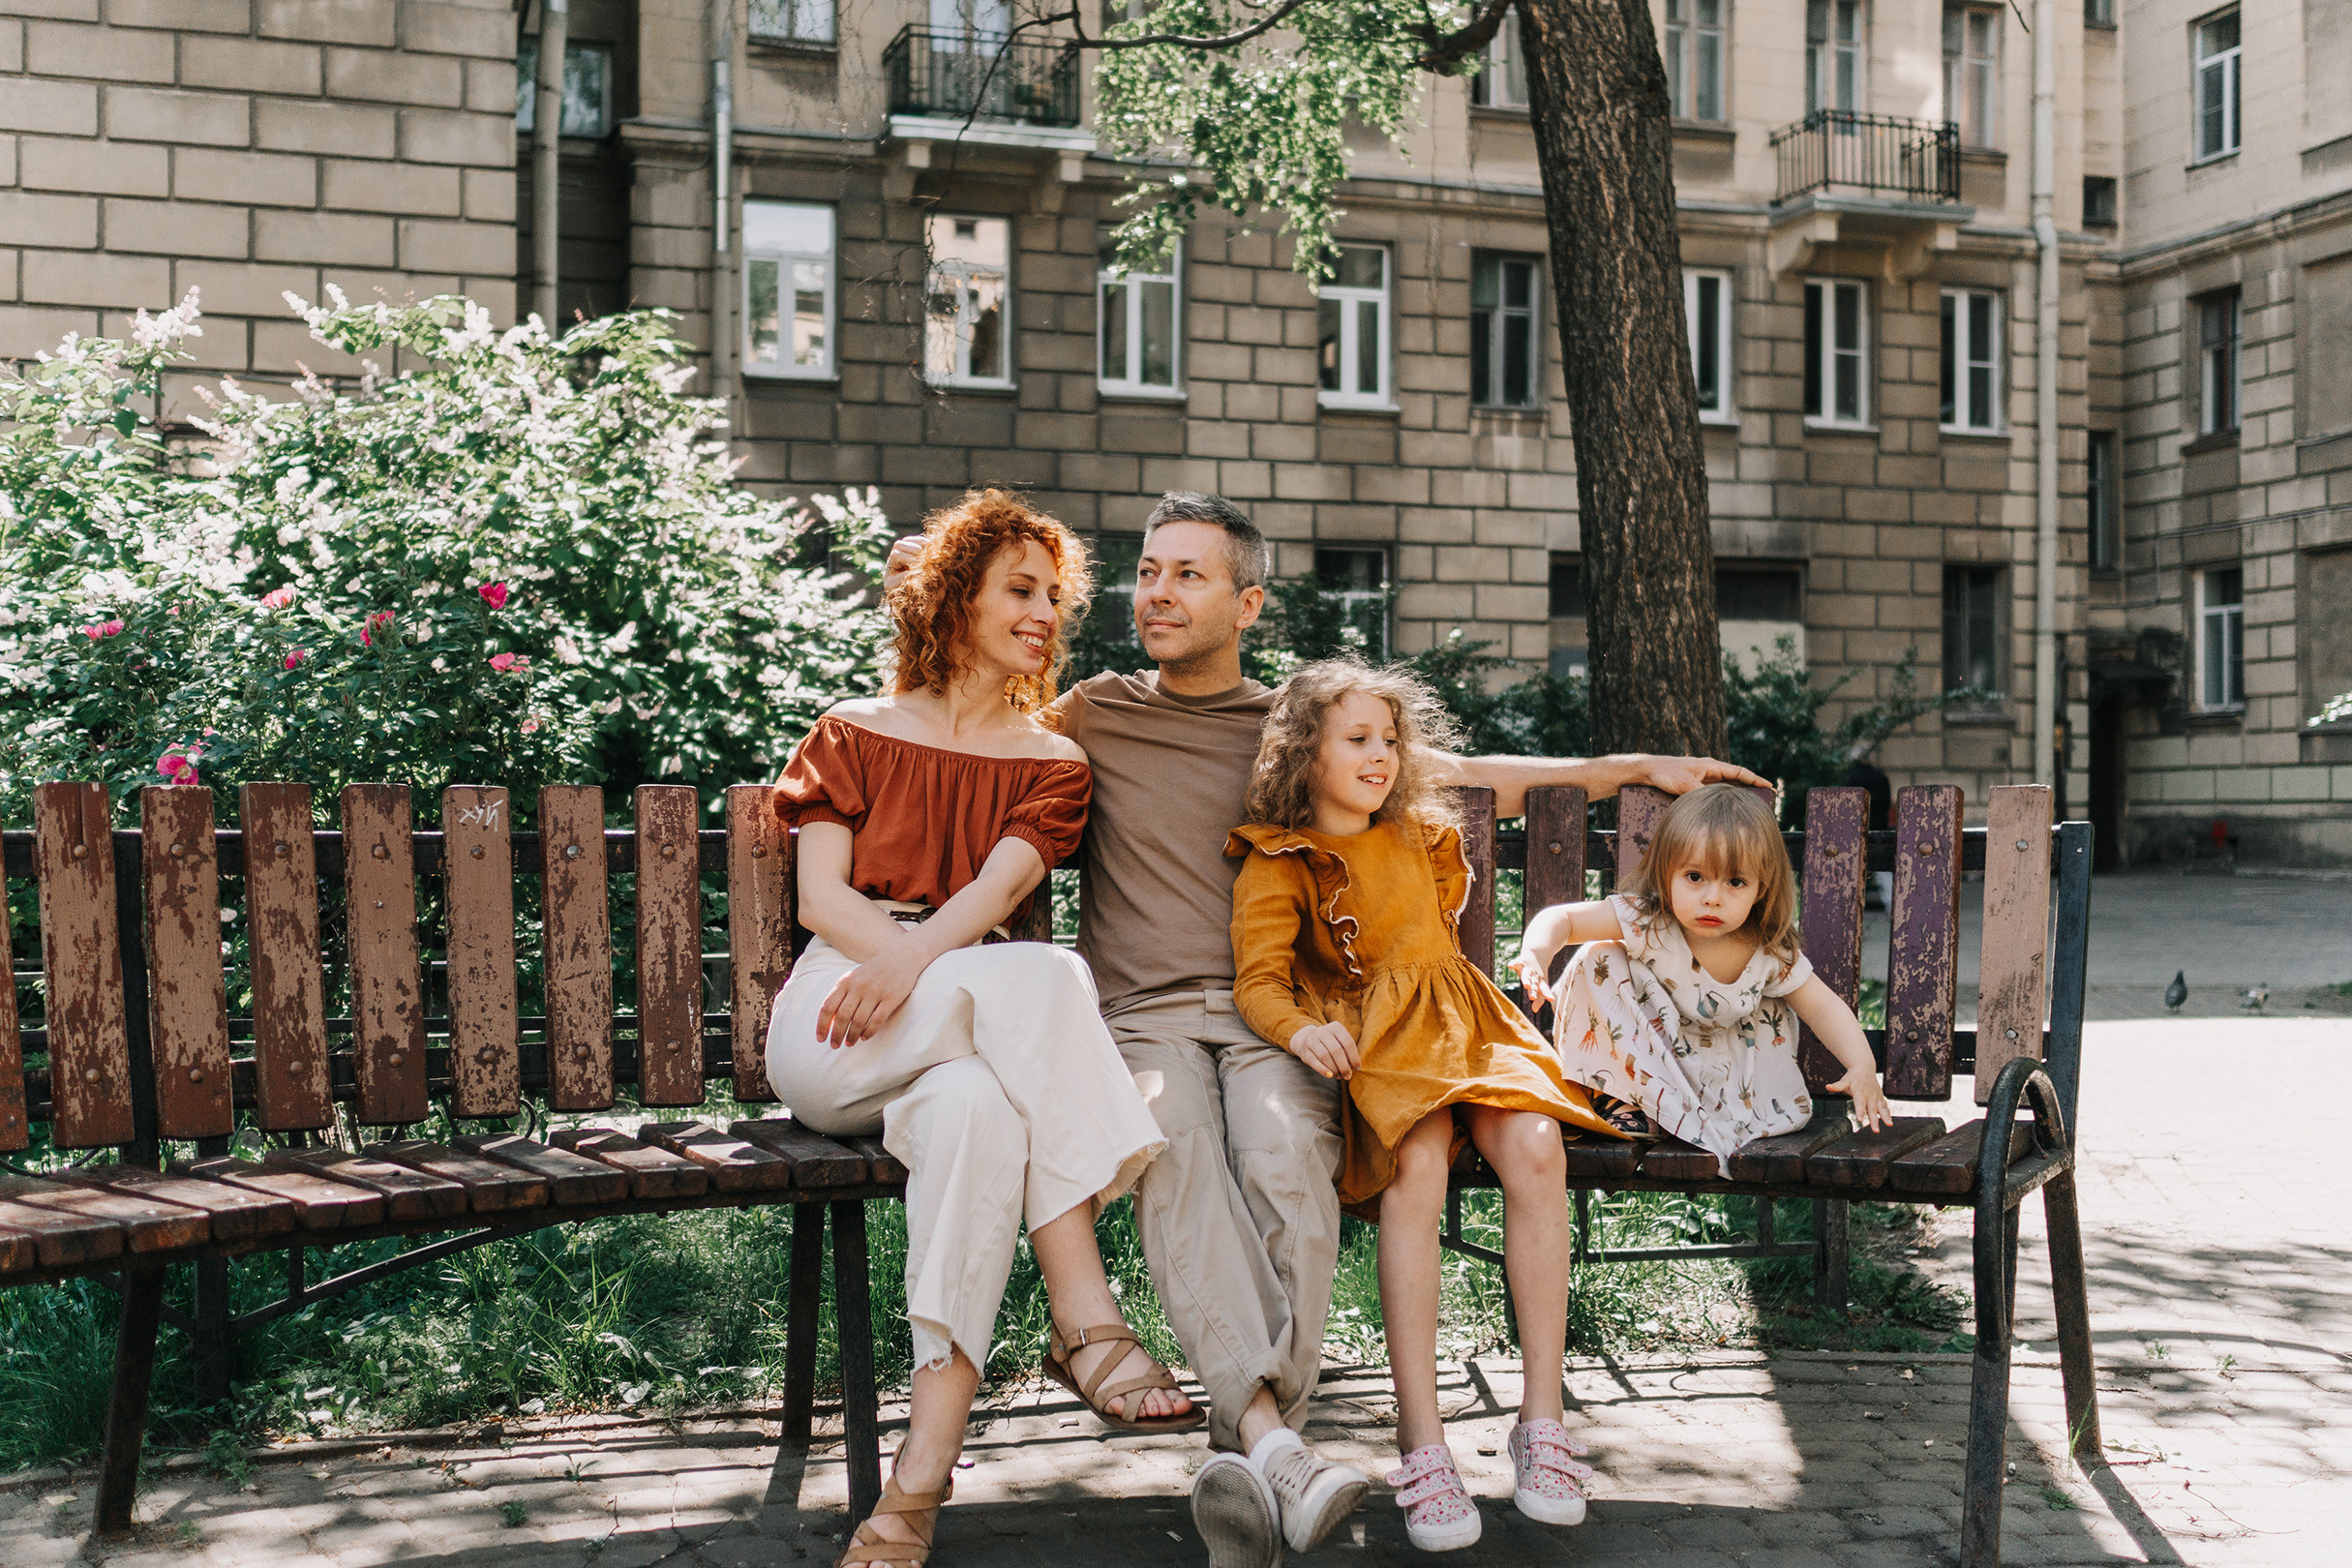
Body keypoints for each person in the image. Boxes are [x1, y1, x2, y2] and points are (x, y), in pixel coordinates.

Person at [885, 493, 1765, 1568]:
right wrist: (925, 594)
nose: (1156, 592)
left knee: (1289, 1163)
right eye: (1148, 571)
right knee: (1177, 1154)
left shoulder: (1292, 728)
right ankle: (1276, 1446)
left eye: (1188, 574)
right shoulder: (1094, 712)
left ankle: (1263, 1452)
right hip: (1141, 1023)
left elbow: (1447, 776)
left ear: (1248, 604)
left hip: (1282, 1024)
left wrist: (1615, 772)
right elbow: (970, 707)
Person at [769, 491, 1198, 1568]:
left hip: (958, 1020)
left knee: (982, 1117)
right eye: (1020, 590)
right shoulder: (852, 732)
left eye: (1055, 596)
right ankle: (1086, 1318)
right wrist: (900, 963)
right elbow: (821, 900)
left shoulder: (1051, 761)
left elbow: (993, 896)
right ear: (957, 599)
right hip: (840, 1018)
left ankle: (916, 1484)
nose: (1046, 614)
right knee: (1043, 977)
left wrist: (917, 964)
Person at [1225, 659, 1621, 1553]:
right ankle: (1422, 1439)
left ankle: (1542, 1419)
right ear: (1304, 753)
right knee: (1418, 1158)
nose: (1382, 756)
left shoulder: (1417, 836)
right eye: (1358, 740)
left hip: (1465, 1022)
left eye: (1391, 740)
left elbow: (1435, 949)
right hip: (1382, 1047)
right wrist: (1301, 1031)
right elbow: (1258, 983)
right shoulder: (1280, 860)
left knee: (1537, 1143)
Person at [1514, 783, 1893, 1179]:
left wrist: (1862, 1066)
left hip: (1729, 1080)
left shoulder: (1767, 950)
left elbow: (1823, 1006)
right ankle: (1626, 1101)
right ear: (1666, 875)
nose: (1713, 898)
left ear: (1760, 889)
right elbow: (1564, 919)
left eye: (1735, 882)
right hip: (1655, 1060)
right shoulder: (1648, 921)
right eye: (1695, 877)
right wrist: (1536, 955)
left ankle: (1679, 1116)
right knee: (1600, 955)